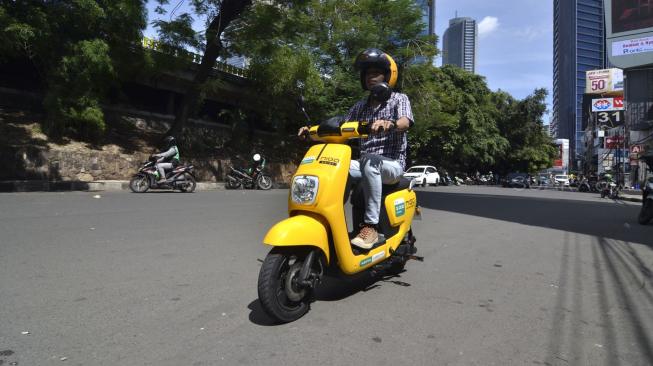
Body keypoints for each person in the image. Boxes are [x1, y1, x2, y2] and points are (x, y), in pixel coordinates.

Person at [298, 48, 414, 249]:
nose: (371, 77)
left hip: (392, 165)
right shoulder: (361, 106)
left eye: (376, 73)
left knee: (369, 161)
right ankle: (326, 220)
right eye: (368, 74)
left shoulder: (398, 99)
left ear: (387, 76)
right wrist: (312, 130)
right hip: (366, 163)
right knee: (331, 165)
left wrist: (391, 123)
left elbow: (406, 121)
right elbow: (340, 125)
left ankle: (372, 228)